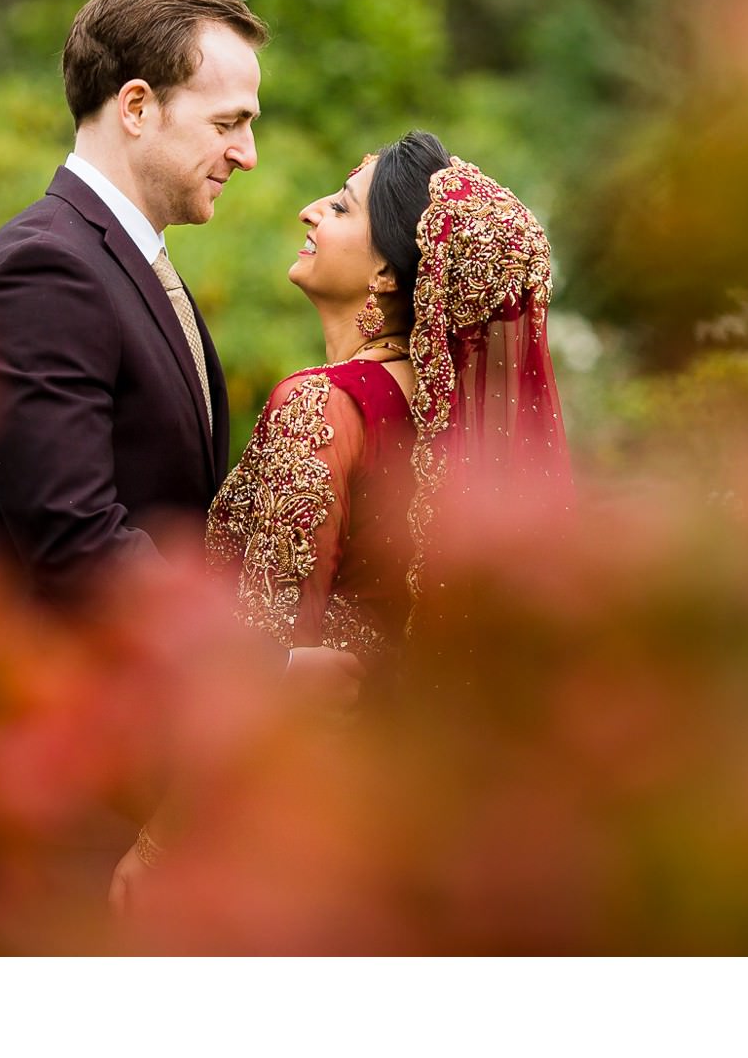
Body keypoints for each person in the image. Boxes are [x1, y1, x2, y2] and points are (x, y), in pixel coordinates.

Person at [108, 130, 571, 909]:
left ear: (388, 271)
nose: (308, 209)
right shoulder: (458, 436)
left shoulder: (323, 408)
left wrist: (162, 842)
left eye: (342, 204)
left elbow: (260, 658)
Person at [0, 0, 269, 941]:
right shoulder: (48, 268)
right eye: (227, 122)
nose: (247, 154)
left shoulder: (122, 263)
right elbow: (76, 536)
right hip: (55, 785)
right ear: (135, 106)